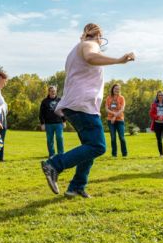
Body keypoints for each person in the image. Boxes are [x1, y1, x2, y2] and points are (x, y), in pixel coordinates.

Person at [41, 23, 135, 198]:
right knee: (98, 146)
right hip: (82, 105)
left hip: (76, 104)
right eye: (101, 38)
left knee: (89, 146)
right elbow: (91, 57)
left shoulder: (74, 50)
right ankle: (55, 165)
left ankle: (76, 186)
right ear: (98, 35)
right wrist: (118, 60)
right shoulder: (89, 44)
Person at [39, 85, 65, 157]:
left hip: (59, 123)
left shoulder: (60, 100)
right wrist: (42, 123)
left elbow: (63, 111)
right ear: (49, 92)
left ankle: (61, 153)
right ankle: (52, 154)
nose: (53, 92)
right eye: (51, 91)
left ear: (56, 92)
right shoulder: (44, 101)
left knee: (59, 137)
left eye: (54, 91)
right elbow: (41, 113)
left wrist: (64, 121)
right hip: (48, 124)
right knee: (50, 140)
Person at [105, 84, 127, 157]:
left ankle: (124, 154)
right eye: (115, 89)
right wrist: (113, 115)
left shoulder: (122, 98)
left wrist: (114, 116)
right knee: (113, 138)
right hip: (110, 120)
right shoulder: (108, 98)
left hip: (120, 120)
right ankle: (114, 154)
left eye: (118, 89)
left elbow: (122, 109)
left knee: (122, 137)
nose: (117, 90)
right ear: (112, 89)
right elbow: (107, 109)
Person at [149, 90, 163, 158]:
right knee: (159, 139)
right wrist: (157, 117)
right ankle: (161, 154)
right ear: (157, 96)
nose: (160, 96)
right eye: (159, 95)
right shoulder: (154, 104)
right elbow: (151, 113)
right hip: (157, 124)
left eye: (162, 95)